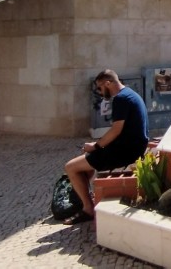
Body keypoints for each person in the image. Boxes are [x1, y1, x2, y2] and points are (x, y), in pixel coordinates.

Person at [63, 69, 150, 224]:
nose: (100, 92)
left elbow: (116, 130)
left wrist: (95, 146)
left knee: (71, 167)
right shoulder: (131, 94)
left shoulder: (121, 99)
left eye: (100, 88)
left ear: (108, 83)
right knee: (85, 164)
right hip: (133, 147)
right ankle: (83, 198)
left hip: (124, 152)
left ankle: (87, 209)